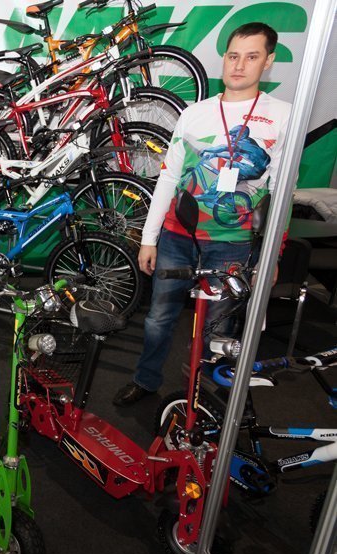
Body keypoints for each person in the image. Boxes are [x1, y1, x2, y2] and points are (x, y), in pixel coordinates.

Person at [113, 22, 292, 407]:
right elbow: (168, 177)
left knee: (218, 327)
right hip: (178, 236)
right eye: (233, 56)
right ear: (224, 59)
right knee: (158, 317)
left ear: (268, 62)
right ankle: (146, 380)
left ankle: (202, 398)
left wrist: (272, 254)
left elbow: (281, 192)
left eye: (251, 57)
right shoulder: (195, 113)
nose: (239, 65)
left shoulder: (283, 116)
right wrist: (149, 238)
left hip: (233, 243)